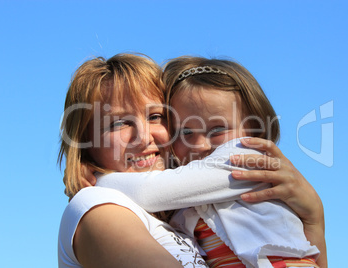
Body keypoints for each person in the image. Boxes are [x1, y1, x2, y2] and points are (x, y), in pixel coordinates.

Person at [58, 53, 326, 268]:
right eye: (118, 123)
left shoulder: (231, 169)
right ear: (86, 144)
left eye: (156, 117)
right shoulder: (95, 203)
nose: (143, 137)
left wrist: (314, 220)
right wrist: (97, 184)